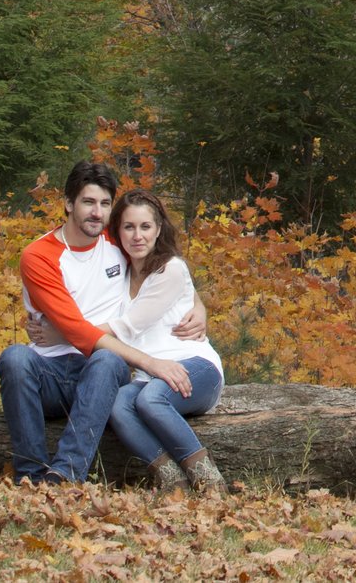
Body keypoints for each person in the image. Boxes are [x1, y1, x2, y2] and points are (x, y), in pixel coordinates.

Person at [0, 161, 206, 484]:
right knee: (14, 357)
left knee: (106, 360)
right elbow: (78, 331)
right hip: (50, 375)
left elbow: (165, 266)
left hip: (104, 374)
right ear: (69, 203)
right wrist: (151, 363)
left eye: (105, 204)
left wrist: (198, 305)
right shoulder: (39, 256)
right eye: (88, 202)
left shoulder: (116, 240)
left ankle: (65, 476)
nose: (97, 213)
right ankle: (30, 476)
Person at [96, 190, 228, 494]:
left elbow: (126, 328)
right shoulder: (119, 275)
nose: (137, 236)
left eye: (145, 227)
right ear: (117, 231)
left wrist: (67, 332)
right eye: (129, 227)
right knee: (117, 403)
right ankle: (173, 481)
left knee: (151, 399)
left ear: (158, 229)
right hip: (151, 374)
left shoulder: (171, 268)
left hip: (197, 367)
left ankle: (209, 481)